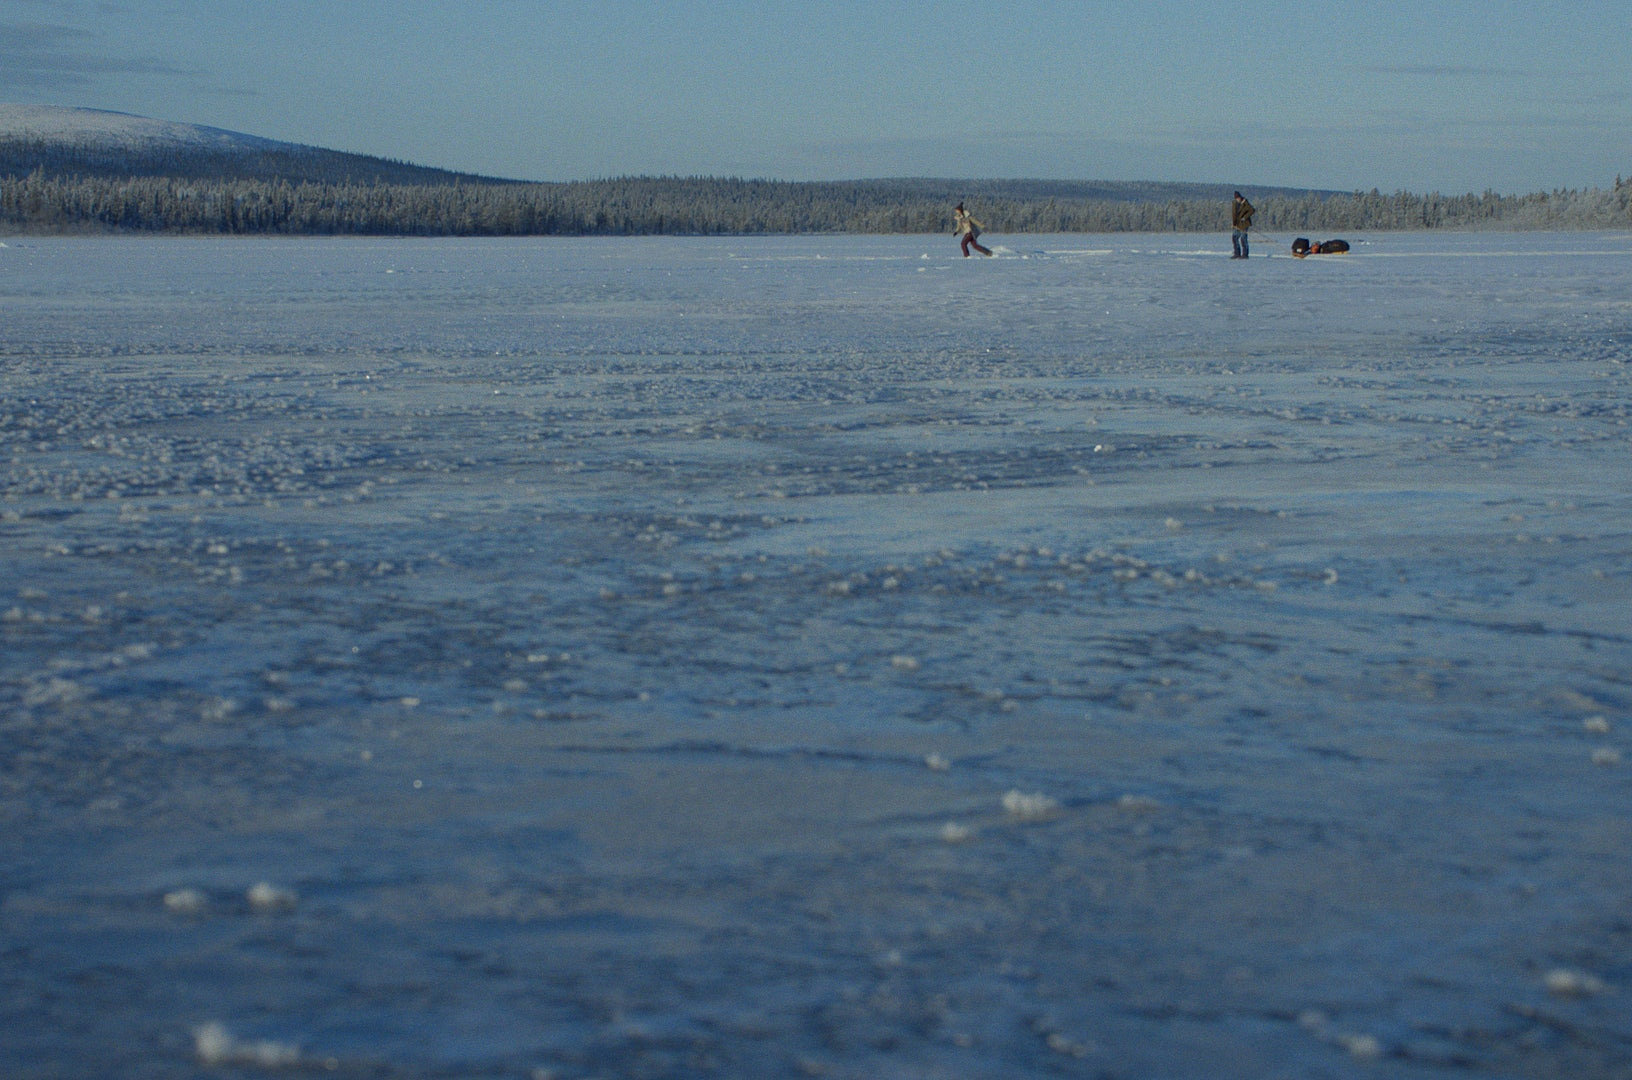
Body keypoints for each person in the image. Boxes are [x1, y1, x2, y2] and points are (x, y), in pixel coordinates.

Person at [1230, 191, 1254, 259]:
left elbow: (1252, 210)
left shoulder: (1245, 203)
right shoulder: (1234, 203)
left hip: (1244, 224)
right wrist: (1233, 223)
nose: (1237, 199)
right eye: (1236, 198)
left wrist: (1245, 217)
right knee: (1234, 238)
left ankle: (1245, 254)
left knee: (1243, 239)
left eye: (1238, 198)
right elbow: (1234, 215)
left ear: (1240, 197)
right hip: (1236, 224)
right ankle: (1237, 253)